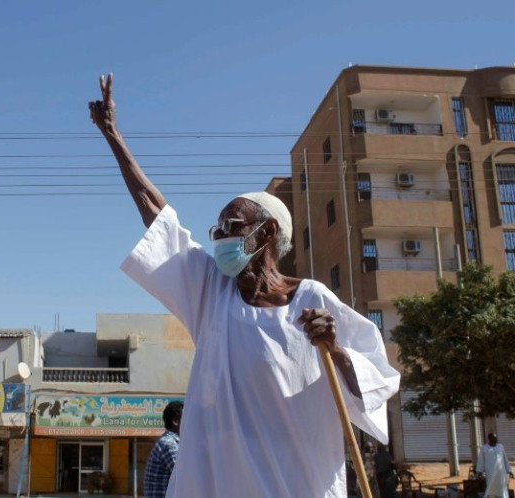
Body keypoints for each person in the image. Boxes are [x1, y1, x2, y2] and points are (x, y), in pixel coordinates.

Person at [89, 74, 400, 497]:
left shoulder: (310, 299)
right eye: (216, 228)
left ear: (267, 232)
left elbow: (379, 380)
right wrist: (114, 138)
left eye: (230, 226)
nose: (218, 236)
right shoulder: (210, 292)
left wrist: (337, 350)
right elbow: (158, 216)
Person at [144, 401, 183, 498]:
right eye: (187, 418)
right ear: (176, 421)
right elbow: (184, 475)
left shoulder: (171, 442)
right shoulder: (169, 444)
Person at [476, 433, 513, 498]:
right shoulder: (484, 448)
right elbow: (481, 460)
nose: (495, 439)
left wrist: (509, 470)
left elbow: (505, 459)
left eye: (496, 438)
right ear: (489, 439)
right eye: (493, 438)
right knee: (490, 488)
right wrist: (479, 471)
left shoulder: (500, 446)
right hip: (490, 472)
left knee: (502, 487)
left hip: (501, 472)